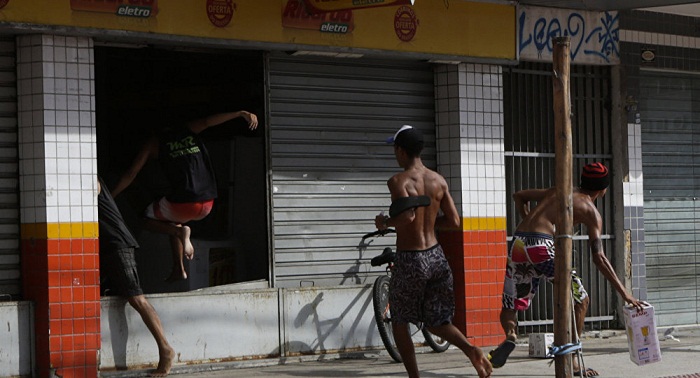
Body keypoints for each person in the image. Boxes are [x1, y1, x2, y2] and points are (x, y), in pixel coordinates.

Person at [488, 162, 646, 377]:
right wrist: (625, 293)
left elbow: (519, 195)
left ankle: (510, 336)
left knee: (511, 302)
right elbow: (599, 257)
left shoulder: (558, 190)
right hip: (541, 245)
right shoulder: (591, 212)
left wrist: (527, 220)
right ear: (603, 189)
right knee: (581, 298)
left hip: (519, 242)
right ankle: (573, 360)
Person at [374, 125, 492, 378]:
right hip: (437, 256)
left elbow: (406, 217)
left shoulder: (398, 181)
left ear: (401, 151)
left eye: (395, 149)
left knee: (399, 321)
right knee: (438, 322)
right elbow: (454, 221)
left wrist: (385, 223)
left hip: (411, 258)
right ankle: (471, 349)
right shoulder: (438, 180)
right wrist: (428, 223)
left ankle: (415, 377)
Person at [111, 110, 259, 281]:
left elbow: (131, 174)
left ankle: (179, 233)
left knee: (144, 219)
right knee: (173, 219)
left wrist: (111, 195)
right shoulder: (189, 129)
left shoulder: (154, 143)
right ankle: (179, 268)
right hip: (208, 203)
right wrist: (241, 113)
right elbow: (209, 120)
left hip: (184, 204)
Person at [97, 176, 175, 377]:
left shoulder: (91, 178)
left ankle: (165, 349)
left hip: (117, 245)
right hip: (102, 248)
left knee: (137, 298)